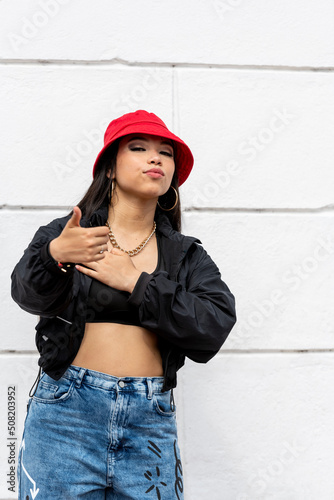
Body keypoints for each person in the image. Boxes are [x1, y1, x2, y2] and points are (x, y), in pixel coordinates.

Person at [11, 109, 237, 499]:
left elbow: (213, 326)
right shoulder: (70, 235)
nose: (155, 159)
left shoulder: (187, 256)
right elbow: (26, 295)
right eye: (139, 148)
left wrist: (134, 280)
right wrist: (52, 256)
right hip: (66, 414)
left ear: (172, 178)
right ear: (110, 168)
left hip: (149, 422)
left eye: (166, 153)